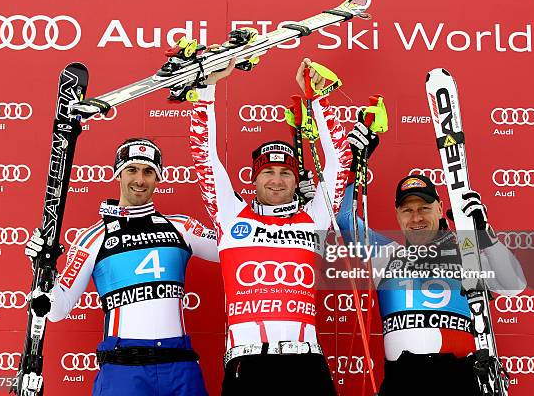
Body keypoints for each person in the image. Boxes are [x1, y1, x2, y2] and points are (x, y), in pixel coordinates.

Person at [188, 58, 351, 395]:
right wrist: (206, 91)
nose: (276, 180)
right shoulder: (232, 216)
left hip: (305, 364)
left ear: (296, 180)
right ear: (254, 177)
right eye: (268, 172)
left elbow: (340, 161)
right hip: (248, 367)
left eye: (285, 172)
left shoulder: (315, 217)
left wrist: (319, 99)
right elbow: (205, 156)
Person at [337, 122, 527, 396]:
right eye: (407, 210)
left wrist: (486, 236)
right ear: (397, 215)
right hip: (403, 381)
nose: (416, 218)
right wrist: (357, 163)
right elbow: (344, 218)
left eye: (424, 208)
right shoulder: (386, 254)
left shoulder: (468, 252)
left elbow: (514, 285)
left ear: (439, 209)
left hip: (459, 377)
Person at [25, 138, 218, 396]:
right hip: (123, 367)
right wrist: (42, 269)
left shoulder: (181, 227)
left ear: (158, 179)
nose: (140, 180)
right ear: (118, 173)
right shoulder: (93, 237)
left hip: (179, 365)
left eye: (149, 172)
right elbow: (58, 309)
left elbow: (234, 249)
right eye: (132, 170)